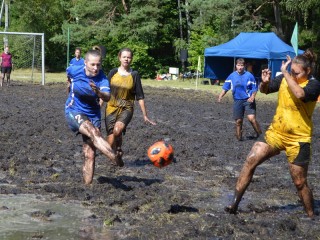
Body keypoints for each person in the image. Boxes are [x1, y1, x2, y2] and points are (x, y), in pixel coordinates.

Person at [225, 49, 320, 218]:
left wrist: (285, 72)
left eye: (297, 73)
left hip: (298, 139)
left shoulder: (314, 84)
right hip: (275, 133)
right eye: (292, 71)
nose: (293, 75)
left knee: (299, 182)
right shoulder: (286, 77)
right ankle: (233, 204)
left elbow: (299, 94)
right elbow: (265, 90)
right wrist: (265, 82)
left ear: (308, 71)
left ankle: (311, 214)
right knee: (251, 161)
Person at [65, 49, 122, 185]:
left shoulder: (102, 79)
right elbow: (68, 76)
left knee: (90, 154)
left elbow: (108, 97)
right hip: (74, 110)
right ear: (85, 63)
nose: (96, 68)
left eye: (98, 64)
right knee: (94, 132)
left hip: (93, 114)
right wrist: (69, 87)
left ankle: (87, 186)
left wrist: (98, 92)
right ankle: (114, 158)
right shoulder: (74, 69)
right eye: (92, 64)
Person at [104, 48, 156, 164]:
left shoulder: (134, 74)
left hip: (126, 108)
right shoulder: (113, 73)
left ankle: (118, 150)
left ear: (131, 59)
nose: (126, 59)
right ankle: (116, 155)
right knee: (109, 143)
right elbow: (105, 91)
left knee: (117, 130)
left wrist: (145, 115)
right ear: (119, 58)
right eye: (124, 57)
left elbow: (140, 97)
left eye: (129, 57)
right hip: (111, 108)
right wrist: (98, 106)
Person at [218, 58, 262, 141]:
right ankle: (239, 137)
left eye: (242, 65)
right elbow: (225, 88)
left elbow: (255, 88)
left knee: (251, 119)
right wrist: (220, 96)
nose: (240, 67)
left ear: (244, 66)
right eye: (238, 65)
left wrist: (252, 97)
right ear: (236, 66)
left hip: (248, 100)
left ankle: (260, 135)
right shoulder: (232, 76)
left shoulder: (249, 75)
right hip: (237, 101)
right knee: (238, 121)